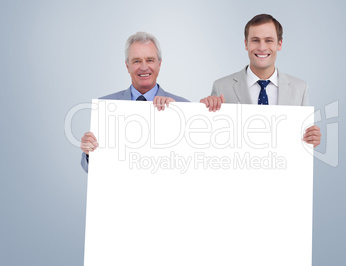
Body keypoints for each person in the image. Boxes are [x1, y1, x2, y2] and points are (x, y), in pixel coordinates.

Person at [200, 14, 321, 147]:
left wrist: (311, 140)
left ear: (279, 44)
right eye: (255, 40)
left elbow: (302, 141)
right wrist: (203, 112)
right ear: (246, 44)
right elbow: (208, 138)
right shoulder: (221, 87)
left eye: (269, 40)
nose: (262, 47)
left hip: (281, 165)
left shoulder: (300, 88)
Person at [80, 32, 189, 173]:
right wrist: (89, 153)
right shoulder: (105, 107)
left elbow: (191, 165)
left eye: (150, 60)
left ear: (159, 64)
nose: (144, 67)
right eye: (137, 61)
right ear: (127, 66)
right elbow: (90, 169)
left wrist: (176, 115)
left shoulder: (184, 107)